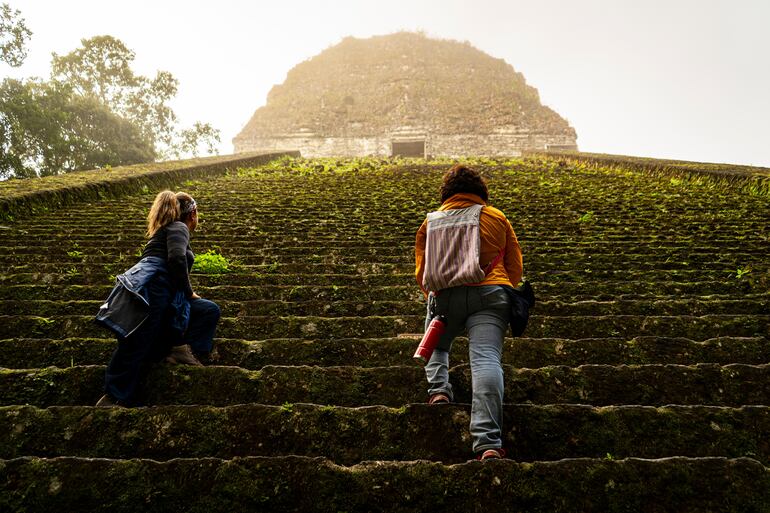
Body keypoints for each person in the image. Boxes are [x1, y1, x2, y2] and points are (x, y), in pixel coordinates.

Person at [414, 164, 523, 460]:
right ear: (481, 192)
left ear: (447, 194)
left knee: (437, 342)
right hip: (491, 294)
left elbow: (423, 272)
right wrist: (496, 287)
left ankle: (439, 390)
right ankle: (488, 442)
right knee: (486, 360)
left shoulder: (431, 221)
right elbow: (515, 265)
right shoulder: (496, 216)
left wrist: (437, 297)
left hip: (446, 296)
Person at [95, 190, 221, 407]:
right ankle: (114, 396)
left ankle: (178, 349)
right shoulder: (179, 227)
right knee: (137, 339)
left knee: (208, 310)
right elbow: (176, 259)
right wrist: (189, 291)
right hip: (157, 288)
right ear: (193, 214)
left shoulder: (164, 231)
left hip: (165, 291)